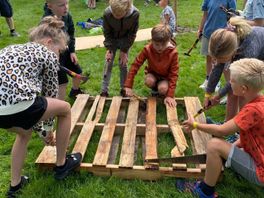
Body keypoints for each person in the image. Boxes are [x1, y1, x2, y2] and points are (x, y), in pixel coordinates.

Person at [0, 16, 82, 198]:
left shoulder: (12, 49)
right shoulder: (46, 54)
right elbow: (50, 95)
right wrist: (46, 132)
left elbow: (35, 106)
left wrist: (41, 129)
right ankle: (62, 164)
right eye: (59, 51)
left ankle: (15, 186)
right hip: (17, 103)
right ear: (49, 42)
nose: (58, 56)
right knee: (65, 109)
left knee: (24, 133)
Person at [182, 58, 264, 198]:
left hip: (260, 170)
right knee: (226, 146)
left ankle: (205, 191)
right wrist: (231, 148)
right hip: (258, 154)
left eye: (232, 81)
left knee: (214, 145)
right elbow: (249, 135)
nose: (229, 83)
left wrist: (194, 125)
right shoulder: (259, 101)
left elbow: (222, 130)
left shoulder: (252, 110)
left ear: (243, 89)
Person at [204, 17, 264, 122]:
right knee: (234, 91)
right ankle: (229, 125)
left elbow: (236, 80)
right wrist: (208, 94)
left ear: (233, 52)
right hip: (252, 51)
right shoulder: (226, 40)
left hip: (258, 55)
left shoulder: (247, 50)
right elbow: (217, 68)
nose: (219, 62)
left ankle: (241, 131)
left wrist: (217, 96)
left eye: (222, 59)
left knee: (244, 93)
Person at [124, 24, 179, 108]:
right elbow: (135, 65)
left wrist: (170, 95)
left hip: (165, 78)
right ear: (152, 40)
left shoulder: (173, 53)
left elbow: (174, 74)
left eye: (163, 45)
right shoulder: (147, 49)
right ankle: (155, 90)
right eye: (156, 44)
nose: (160, 48)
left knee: (163, 89)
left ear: (168, 41)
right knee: (149, 81)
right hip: (153, 74)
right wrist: (128, 85)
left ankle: (161, 92)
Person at [43, 0, 84, 99]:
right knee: (62, 82)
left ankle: (75, 91)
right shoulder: (46, 22)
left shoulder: (67, 16)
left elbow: (71, 33)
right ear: (50, 6)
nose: (66, 7)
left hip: (66, 51)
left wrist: (72, 51)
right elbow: (45, 42)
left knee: (78, 72)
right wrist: (54, 56)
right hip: (54, 55)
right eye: (61, 5)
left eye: (67, 3)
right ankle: (60, 107)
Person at [100, 0, 139, 97]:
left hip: (126, 40)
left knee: (123, 64)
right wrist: (109, 49)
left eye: (118, 15)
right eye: (114, 14)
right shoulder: (107, 13)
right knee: (108, 62)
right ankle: (104, 90)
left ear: (126, 10)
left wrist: (124, 51)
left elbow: (132, 34)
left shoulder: (134, 14)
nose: (115, 16)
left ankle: (124, 89)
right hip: (112, 39)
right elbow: (107, 32)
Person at [197, 0, 236, 91]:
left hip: (222, 34)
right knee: (209, 57)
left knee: (221, 61)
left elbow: (233, 17)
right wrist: (200, 29)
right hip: (208, 33)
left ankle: (217, 82)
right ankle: (208, 79)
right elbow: (205, 15)